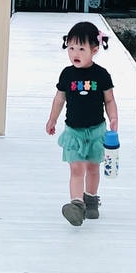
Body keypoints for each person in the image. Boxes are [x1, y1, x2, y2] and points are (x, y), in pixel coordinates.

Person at [46, 21, 119, 226]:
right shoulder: (67, 74)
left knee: (93, 169)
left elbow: (109, 99)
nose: (74, 53)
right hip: (73, 132)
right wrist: (53, 118)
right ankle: (76, 205)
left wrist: (113, 118)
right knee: (76, 169)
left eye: (81, 48)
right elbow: (60, 98)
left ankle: (91, 199)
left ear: (94, 50)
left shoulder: (101, 75)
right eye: (71, 48)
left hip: (96, 131)